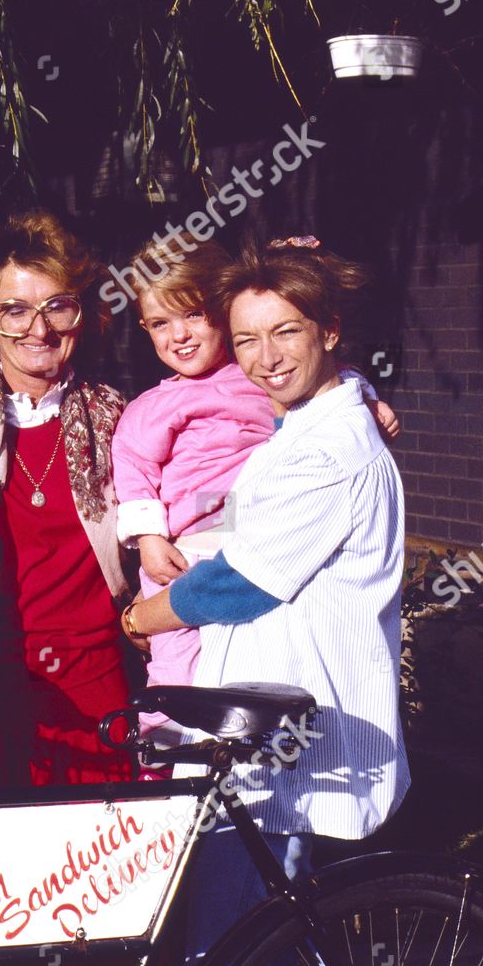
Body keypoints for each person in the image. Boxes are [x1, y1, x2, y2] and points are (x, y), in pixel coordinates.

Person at [120, 237, 409, 966]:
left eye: (285, 331)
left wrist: (141, 614)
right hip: (264, 721)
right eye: (247, 337)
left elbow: (239, 581)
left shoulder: (330, 449)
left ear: (330, 329)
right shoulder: (303, 424)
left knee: (229, 954)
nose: (264, 355)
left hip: (288, 732)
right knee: (277, 944)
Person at [113, 238, 399, 735]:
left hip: (245, 536)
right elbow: (133, 473)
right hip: (185, 548)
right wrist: (149, 539)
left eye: (194, 316)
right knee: (179, 664)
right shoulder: (152, 408)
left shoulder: (263, 386)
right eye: (160, 323)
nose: (179, 335)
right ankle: (162, 733)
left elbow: (338, 374)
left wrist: (372, 399)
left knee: (218, 667)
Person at [0, 209, 140, 789]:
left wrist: (345, 390)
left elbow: (212, 490)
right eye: (15, 311)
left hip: (98, 675)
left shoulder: (122, 418)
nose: (40, 329)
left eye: (57, 306)